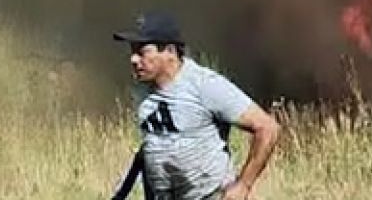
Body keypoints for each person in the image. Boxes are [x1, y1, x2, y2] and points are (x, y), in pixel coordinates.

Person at [111, 12, 281, 200]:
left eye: (142, 52)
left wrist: (243, 185)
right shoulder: (142, 91)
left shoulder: (205, 85)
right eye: (132, 51)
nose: (133, 59)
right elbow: (154, 142)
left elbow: (267, 128)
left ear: (169, 51)